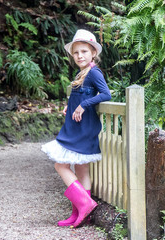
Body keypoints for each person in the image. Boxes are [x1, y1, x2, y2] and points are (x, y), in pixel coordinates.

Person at [41, 29, 111, 228]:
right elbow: (80, 95)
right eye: (76, 53)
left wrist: (83, 105)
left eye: (84, 51)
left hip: (83, 129)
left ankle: (85, 204)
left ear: (93, 53)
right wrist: (71, 105)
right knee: (81, 170)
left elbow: (106, 94)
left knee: (60, 165)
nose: (80, 56)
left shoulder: (94, 72)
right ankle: (82, 214)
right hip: (78, 127)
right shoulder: (83, 73)